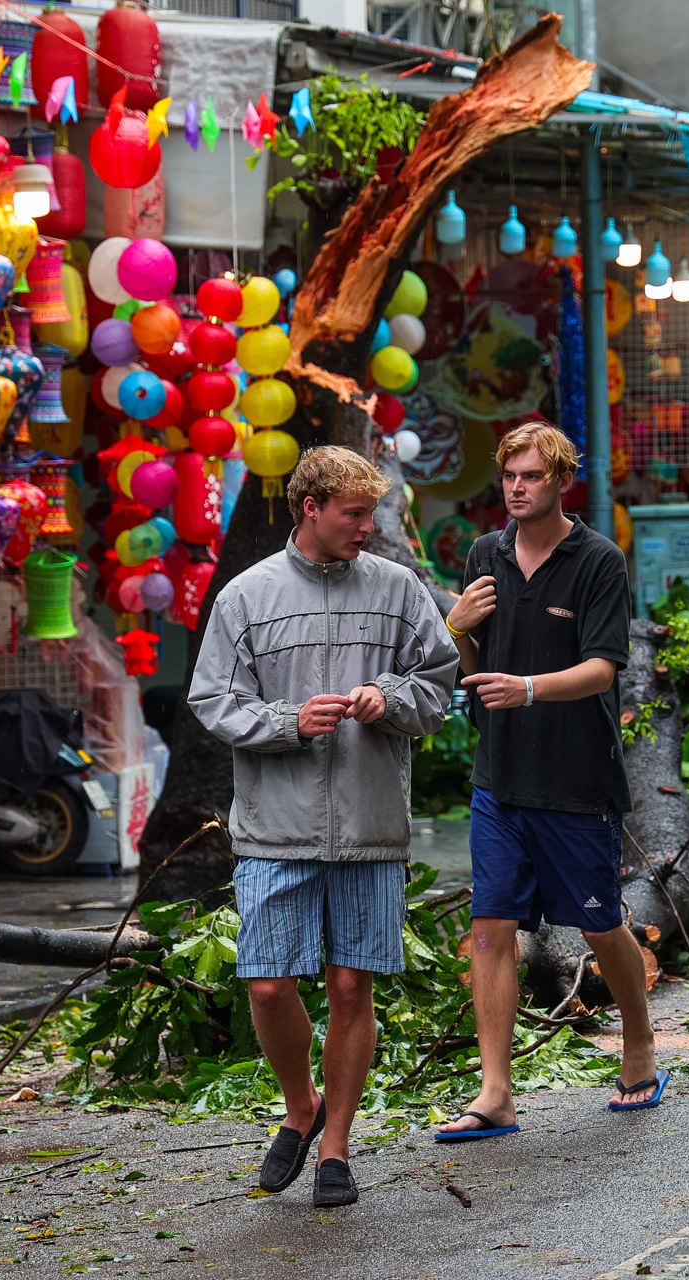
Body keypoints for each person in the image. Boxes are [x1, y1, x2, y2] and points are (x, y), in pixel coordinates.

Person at [189, 445, 457, 1207]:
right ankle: (300, 1107)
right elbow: (213, 698)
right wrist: (287, 721)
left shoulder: (400, 589)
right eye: (353, 513)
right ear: (310, 508)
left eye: (371, 512)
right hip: (275, 826)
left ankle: (335, 1147)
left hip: (371, 827)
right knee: (270, 986)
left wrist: (389, 699)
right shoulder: (246, 595)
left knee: (349, 987)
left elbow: (437, 688)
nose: (367, 527)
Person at [434, 421, 663, 1141]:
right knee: (490, 928)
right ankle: (496, 1092)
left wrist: (529, 689)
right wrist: (454, 626)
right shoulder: (485, 553)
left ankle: (639, 1043)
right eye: (509, 477)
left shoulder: (597, 560)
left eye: (531, 477)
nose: (516, 488)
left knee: (600, 924)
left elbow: (603, 667)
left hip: (577, 780)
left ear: (561, 480)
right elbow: (469, 661)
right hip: (499, 779)